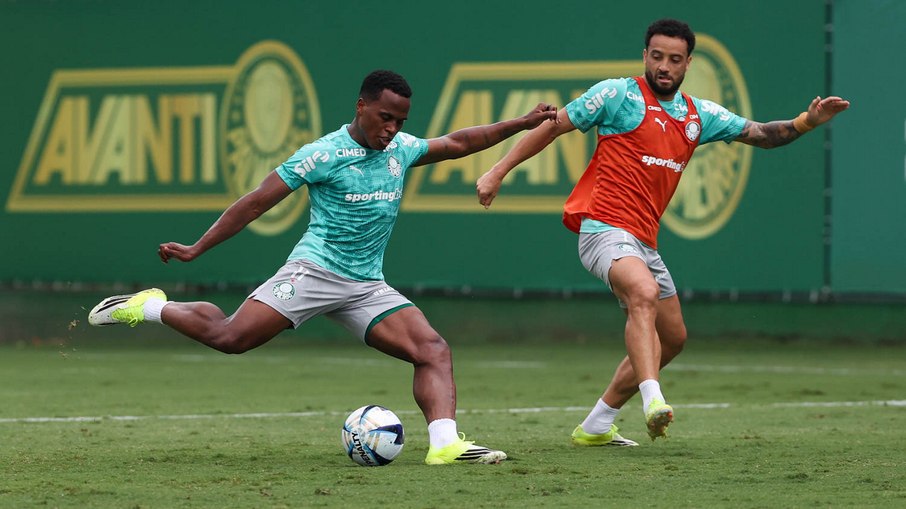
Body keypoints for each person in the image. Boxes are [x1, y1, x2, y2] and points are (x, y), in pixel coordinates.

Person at [89, 70, 557, 465]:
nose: (392, 128)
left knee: (432, 349)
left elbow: (458, 142)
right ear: (361, 106)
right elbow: (254, 203)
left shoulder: (402, 150)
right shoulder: (323, 154)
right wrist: (196, 249)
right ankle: (151, 307)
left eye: (400, 121)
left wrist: (522, 122)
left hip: (366, 285)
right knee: (231, 338)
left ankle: (445, 445)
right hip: (313, 273)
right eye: (385, 117)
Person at [477, 18, 849, 446]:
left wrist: (807, 121)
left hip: (643, 242)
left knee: (672, 339)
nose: (664, 66)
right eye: (657, 57)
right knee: (643, 293)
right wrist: (497, 171)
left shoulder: (699, 115)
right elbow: (553, 125)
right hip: (602, 229)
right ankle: (654, 402)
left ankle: (597, 424)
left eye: (674, 59)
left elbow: (763, 134)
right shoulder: (616, 94)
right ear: (645, 57)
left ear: (688, 63)